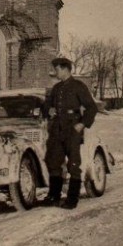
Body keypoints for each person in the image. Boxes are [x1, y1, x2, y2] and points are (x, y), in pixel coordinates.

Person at [45, 57, 98, 209]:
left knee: (73, 164)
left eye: (57, 70)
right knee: (54, 162)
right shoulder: (56, 88)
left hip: (72, 129)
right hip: (57, 130)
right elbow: (47, 104)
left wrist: (82, 124)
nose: (55, 73)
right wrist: (49, 109)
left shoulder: (78, 86)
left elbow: (91, 107)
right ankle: (53, 196)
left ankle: (72, 199)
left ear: (65, 69)